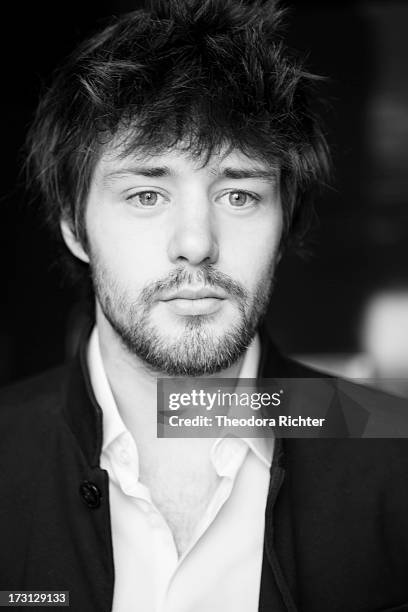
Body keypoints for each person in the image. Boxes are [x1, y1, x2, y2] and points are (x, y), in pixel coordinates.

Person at [1, 1, 408, 611]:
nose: (197, 242)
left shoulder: (395, 455)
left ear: (285, 221)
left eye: (240, 194)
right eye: (146, 194)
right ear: (73, 226)